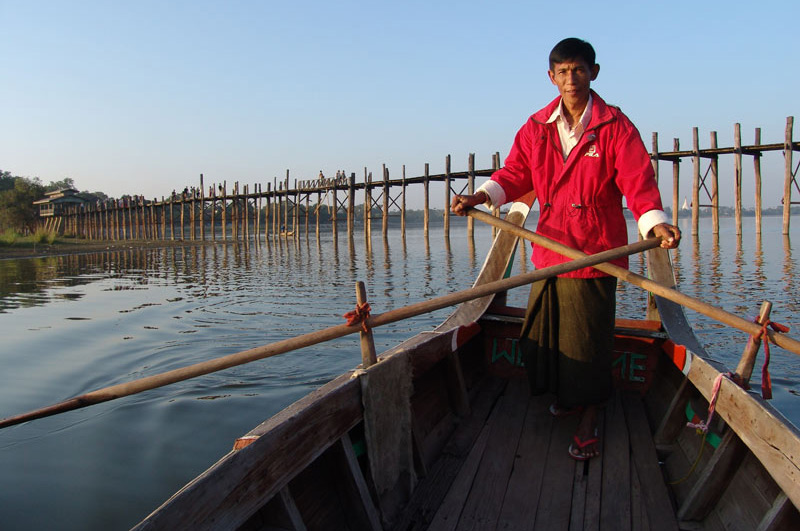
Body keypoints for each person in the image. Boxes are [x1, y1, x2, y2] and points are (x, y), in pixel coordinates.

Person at [451, 38, 681, 461]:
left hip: (595, 255)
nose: (570, 79)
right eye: (562, 71)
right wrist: (479, 197)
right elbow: (515, 171)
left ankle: (589, 419)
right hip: (549, 250)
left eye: (578, 70)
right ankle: (568, 399)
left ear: (594, 72)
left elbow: (638, 183)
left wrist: (656, 222)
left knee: (587, 345)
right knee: (543, 333)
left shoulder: (615, 126)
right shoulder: (538, 125)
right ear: (551, 77)